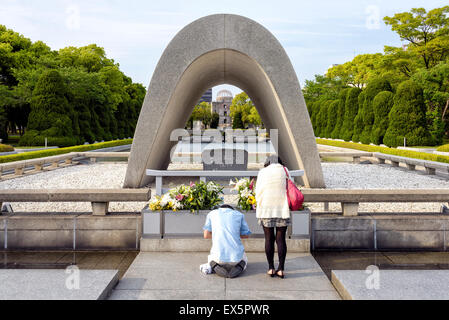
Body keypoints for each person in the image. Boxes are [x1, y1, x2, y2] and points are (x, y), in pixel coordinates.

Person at [255, 155, 291, 279]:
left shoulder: (262, 172)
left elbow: (258, 191)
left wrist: (259, 203)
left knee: (269, 238)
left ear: (267, 162)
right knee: (281, 239)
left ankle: (271, 268)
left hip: (266, 208)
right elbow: (290, 187)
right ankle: (281, 269)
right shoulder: (285, 170)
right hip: (282, 208)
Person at [202, 204, 252, 278]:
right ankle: (240, 266)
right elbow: (246, 235)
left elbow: (206, 235)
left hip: (217, 257)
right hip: (236, 259)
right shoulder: (239, 215)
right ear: (232, 209)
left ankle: (214, 265)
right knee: (244, 259)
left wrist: (217, 234)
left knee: (211, 258)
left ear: (220, 208)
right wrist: (234, 234)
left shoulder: (211, 214)